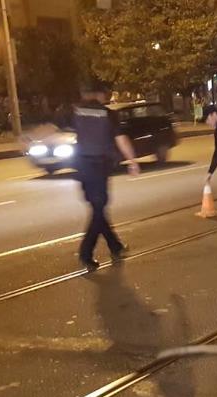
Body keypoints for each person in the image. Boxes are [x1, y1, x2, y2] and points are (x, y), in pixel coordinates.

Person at [73, 80, 140, 271]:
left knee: (98, 209)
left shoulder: (75, 112)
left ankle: (115, 246)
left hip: (82, 168)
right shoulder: (108, 114)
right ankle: (86, 253)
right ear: (99, 95)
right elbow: (121, 139)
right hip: (99, 168)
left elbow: (52, 126)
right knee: (98, 210)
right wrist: (132, 161)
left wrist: (28, 138)